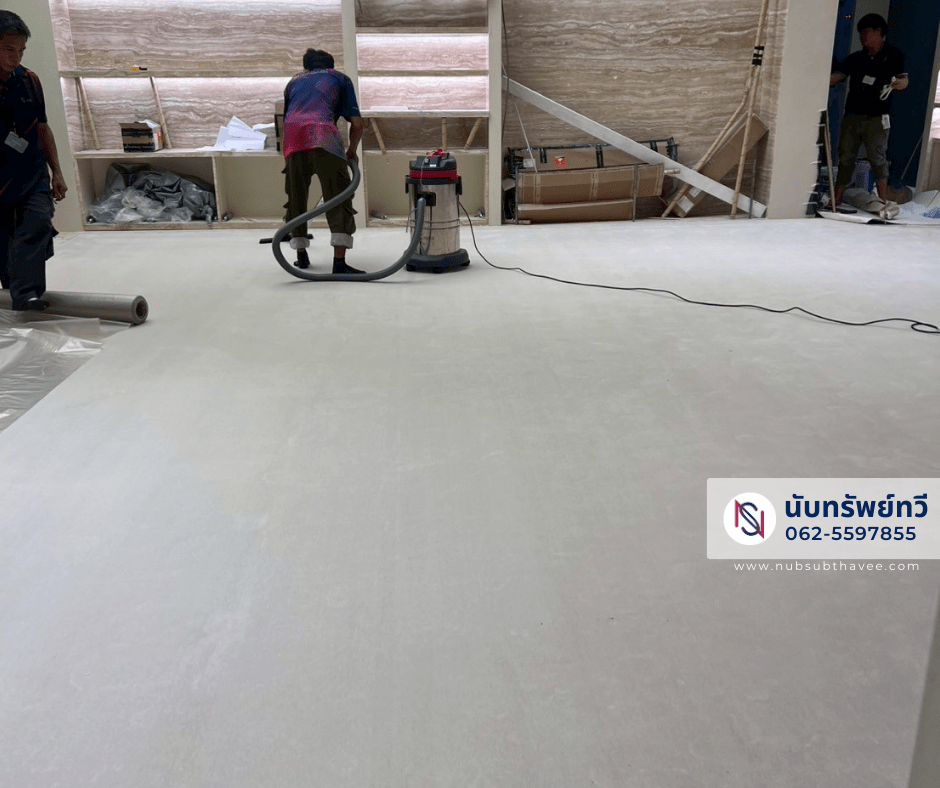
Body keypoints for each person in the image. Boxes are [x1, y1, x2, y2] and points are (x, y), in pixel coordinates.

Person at [0, 10, 67, 311]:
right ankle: (14, 292)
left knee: (38, 222)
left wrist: (57, 172)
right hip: (1, 176)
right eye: (8, 49)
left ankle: (27, 295)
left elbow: (42, 127)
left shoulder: (29, 81)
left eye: (21, 50)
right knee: (5, 243)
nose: (15, 57)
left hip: (32, 171)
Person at [282, 48, 364, 274]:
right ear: (331, 65)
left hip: (292, 139)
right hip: (323, 135)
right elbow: (358, 124)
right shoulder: (339, 79)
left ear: (306, 67)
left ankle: (301, 256)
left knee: (296, 196)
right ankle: (339, 263)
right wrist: (352, 150)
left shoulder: (293, 81)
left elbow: (289, 117)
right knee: (338, 196)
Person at [829, 13, 908, 210]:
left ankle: (883, 201)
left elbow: (904, 80)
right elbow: (839, 76)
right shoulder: (856, 58)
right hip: (853, 114)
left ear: (878, 31)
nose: (862, 37)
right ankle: (836, 199)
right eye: (860, 33)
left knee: (877, 158)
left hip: (878, 116)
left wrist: (898, 84)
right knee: (846, 156)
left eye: (866, 32)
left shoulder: (894, 55)